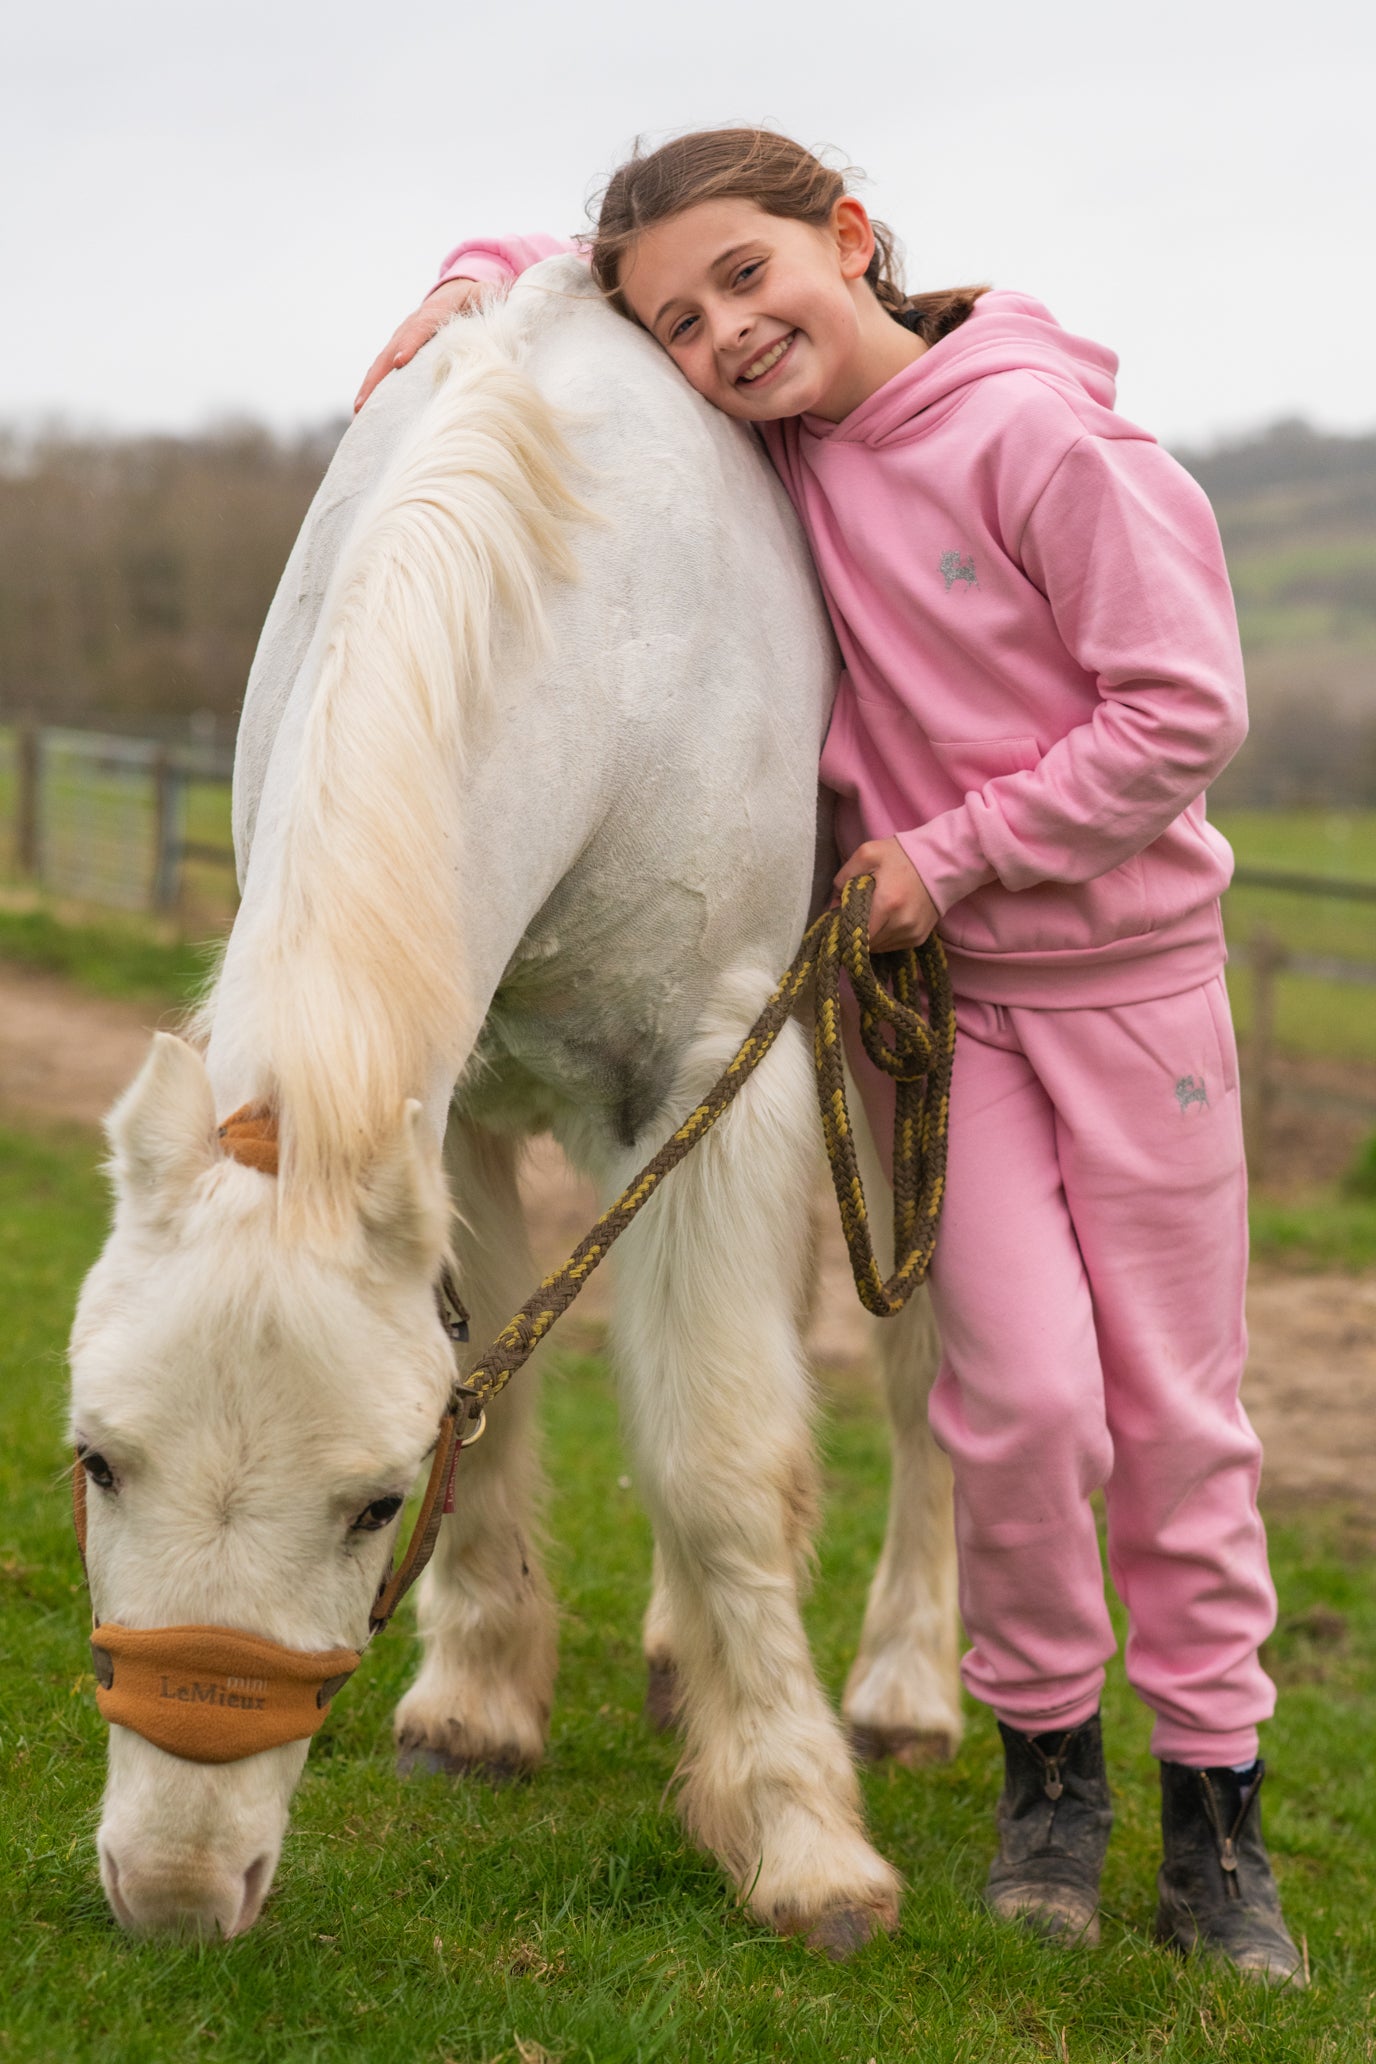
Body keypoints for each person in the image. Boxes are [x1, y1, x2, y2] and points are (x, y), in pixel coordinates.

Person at [355, 129, 1303, 1984]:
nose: (724, 331)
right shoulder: (782, 446)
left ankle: (1218, 1807)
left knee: (1178, 1422)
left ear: (851, 238)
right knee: (1013, 1406)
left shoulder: (1047, 440)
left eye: (750, 279)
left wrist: (941, 860)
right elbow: (590, 275)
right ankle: (1050, 1783)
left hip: (1128, 995)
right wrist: (478, 268)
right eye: (682, 322)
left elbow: (1187, 706)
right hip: (930, 1020)